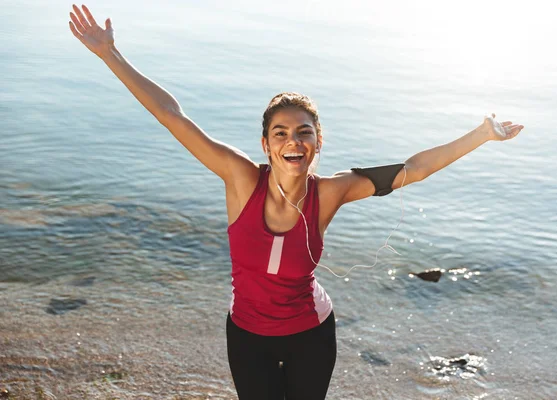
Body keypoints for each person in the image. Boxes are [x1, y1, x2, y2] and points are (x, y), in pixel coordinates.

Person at [68, 4, 524, 399]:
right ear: (266, 144)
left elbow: (414, 168)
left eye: (304, 131)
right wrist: (110, 54)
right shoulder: (241, 179)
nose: (293, 140)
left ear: (318, 141)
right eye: (281, 132)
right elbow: (173, 117)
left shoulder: (330, 192)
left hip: (311, 334)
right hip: (246, 336)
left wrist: (482, 134)